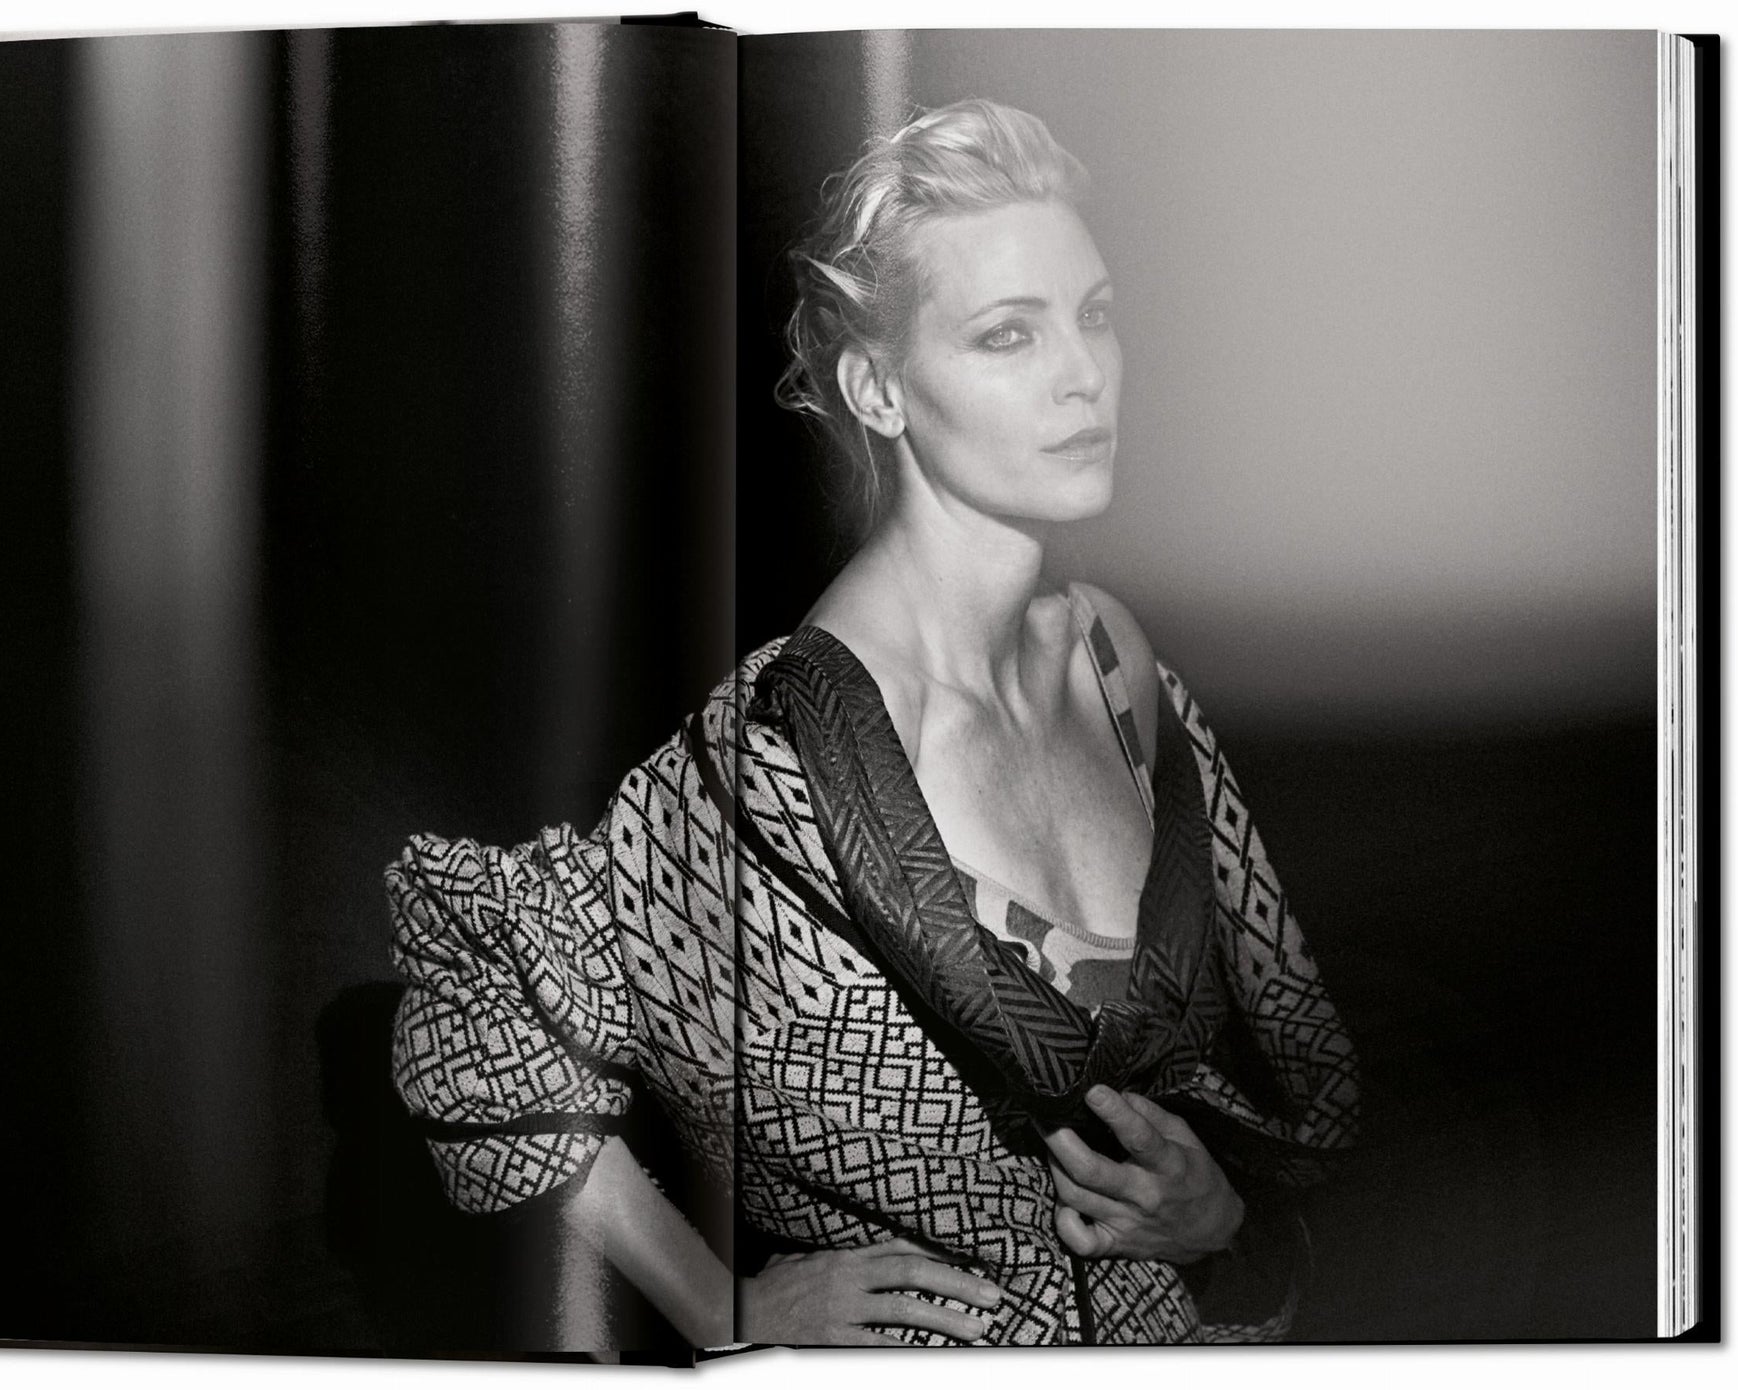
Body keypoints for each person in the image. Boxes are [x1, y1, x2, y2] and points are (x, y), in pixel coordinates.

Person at [388, 98, 1358, 1348]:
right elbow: (482, 1006)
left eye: (1095, 315)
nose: (1081, 374)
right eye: (1006, 334)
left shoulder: (1116, 669)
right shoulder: (769, 762)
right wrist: (721, 1304)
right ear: (879, 390)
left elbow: (1302, 1068)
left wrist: (1215, 1211)